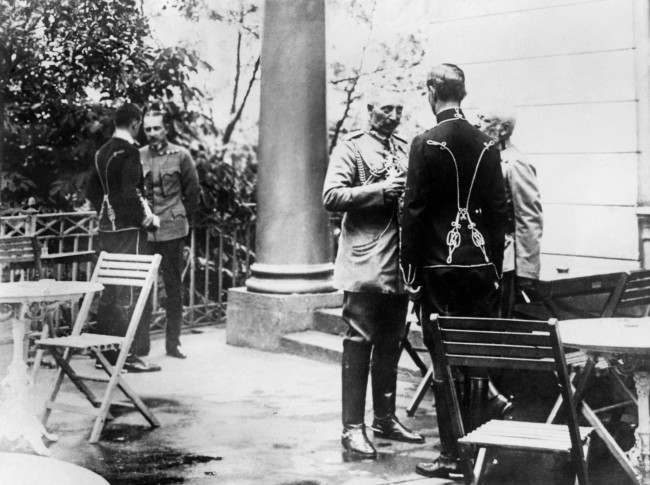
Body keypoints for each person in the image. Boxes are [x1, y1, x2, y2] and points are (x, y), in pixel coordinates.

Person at [401, 64, 508, 479]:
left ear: (432, 91)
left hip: (438, 271)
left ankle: (451, 455)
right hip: (481, 269)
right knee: (476, 359)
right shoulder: (486, 142)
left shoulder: (425, 143)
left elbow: (413, 215)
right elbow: (500, 212)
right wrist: (494, 268)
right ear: (462, 93)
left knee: (444, 366)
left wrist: (410, 276)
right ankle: (477, 451)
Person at [323, 90, 424, 460]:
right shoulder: (351, 148)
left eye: (399, 108)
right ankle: (352, 428)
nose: (394, 115)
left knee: (391, 341)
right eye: (386, 108)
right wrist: (380, 190)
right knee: (359, 341)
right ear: (369, 110)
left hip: (398, 264)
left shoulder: (403, 146)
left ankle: (384, 419)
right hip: (364, 262)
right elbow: (331, 196)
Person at [86, 102, 161, 373]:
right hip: (130, 232)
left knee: (108, 289)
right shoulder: (129, 152)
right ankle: (130, 356)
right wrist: (149, 219)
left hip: (107, 231)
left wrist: (107, 213)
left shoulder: (101, 152)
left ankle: (103, 354)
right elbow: (132, 193)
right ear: (135, 123)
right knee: (132, 289)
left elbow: (92, 191)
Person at [140, 109, 200, 359]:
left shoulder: (181, 156)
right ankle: (140, 345)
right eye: (148, 129)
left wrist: (184, 221)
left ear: (167, 129)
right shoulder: (138, 155)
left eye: (157, 128)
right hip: (146, 231)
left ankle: (173, 344)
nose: (153, 133)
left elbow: (193, 192)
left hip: (173, 230)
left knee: (173, 289)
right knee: (141, 288)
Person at [477, 108, 543, 317]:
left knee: (499, 321)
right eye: (478, 118)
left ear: (503, 129)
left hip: (504, 260)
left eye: (485, 120)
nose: (478, 124)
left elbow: (529, 217)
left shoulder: (515, 162)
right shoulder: (483, 155)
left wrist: (526, 270)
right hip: (479, 255)